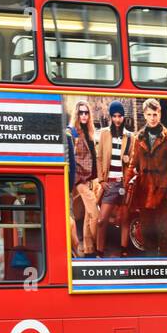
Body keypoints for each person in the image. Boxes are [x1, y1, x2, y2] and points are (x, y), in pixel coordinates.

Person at [128, 97, 167, 257]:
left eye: (155, 114)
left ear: (160, 114)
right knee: (147, 234)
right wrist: (125, 187)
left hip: (162, 193)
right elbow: (132, 164)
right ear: (145, 115)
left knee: (164, 235)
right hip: (144, 191)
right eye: (149, 114)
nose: (152, 118)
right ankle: (151, 266)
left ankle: (166, 271)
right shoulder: (138, 137)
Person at [95, 100, 134, 257]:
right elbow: (99, 157)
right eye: (114, 116)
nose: (117, 119)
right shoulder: (105, 133)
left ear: (123, 117)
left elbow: (133, 161)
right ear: (111, 117)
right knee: (101, 220)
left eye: (120, 116)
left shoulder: (130, 137)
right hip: (109, 184)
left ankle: (123, 250)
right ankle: (99, 251)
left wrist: (128, 161)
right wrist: (101, 180)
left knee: (125, 219)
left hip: (123, 183)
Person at [65, 101, 99, 256]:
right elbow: (71, 159)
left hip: (91, 178)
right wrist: (77, 180)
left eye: (86, 113)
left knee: (87, 217)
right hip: (80, 180)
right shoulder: (72, 132)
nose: (84, 115)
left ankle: (88, 249)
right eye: (81, 113)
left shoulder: (89, 132)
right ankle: (97, 246)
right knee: (95, 214)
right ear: (76, 114)